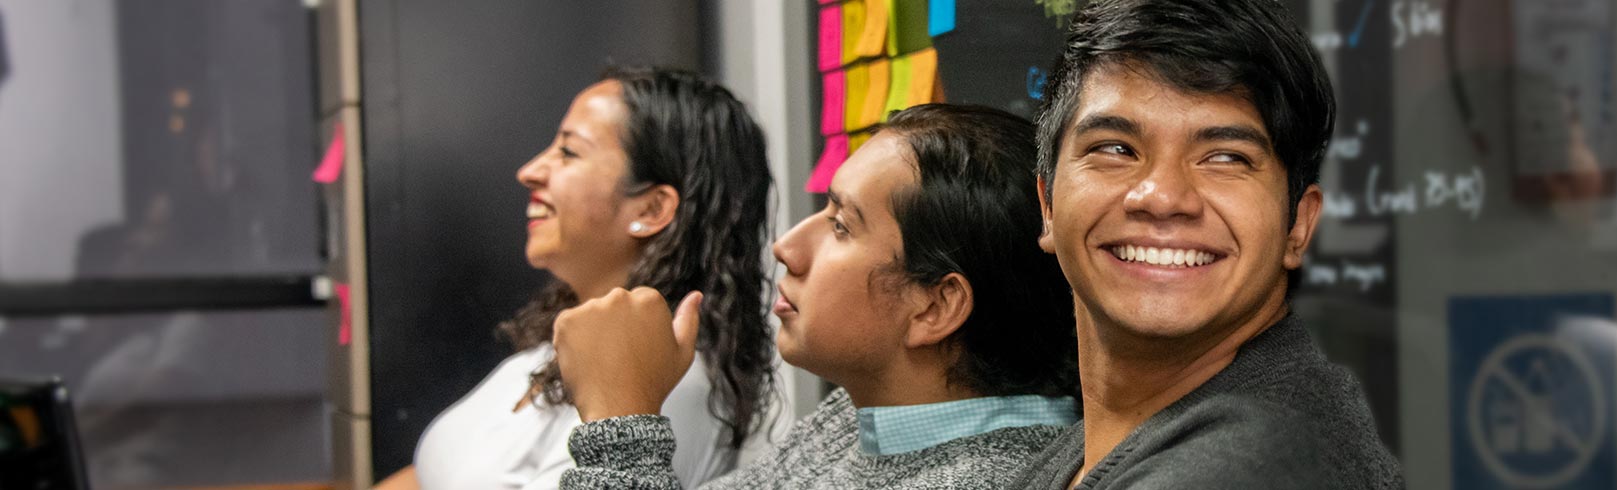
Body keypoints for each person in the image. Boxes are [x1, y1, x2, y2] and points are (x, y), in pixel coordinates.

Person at [550, 104, 1079, 489]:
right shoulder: (867, 417)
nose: (787, 247)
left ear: (934, 307)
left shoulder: (991, 479)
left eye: (842, 226)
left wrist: (620, 422)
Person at [1008, 0, 1404, 487]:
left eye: (1225, 157)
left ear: (1298, 225)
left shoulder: (1247, 467)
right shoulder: (1093, 446)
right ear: (1047, 205)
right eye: (1115, 149)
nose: (1163, 197)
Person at [374, 67, 778, 490]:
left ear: (651, 209)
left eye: (568, 152)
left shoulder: (661, 387)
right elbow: (426, 475)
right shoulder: (551, 349)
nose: (529, 171)